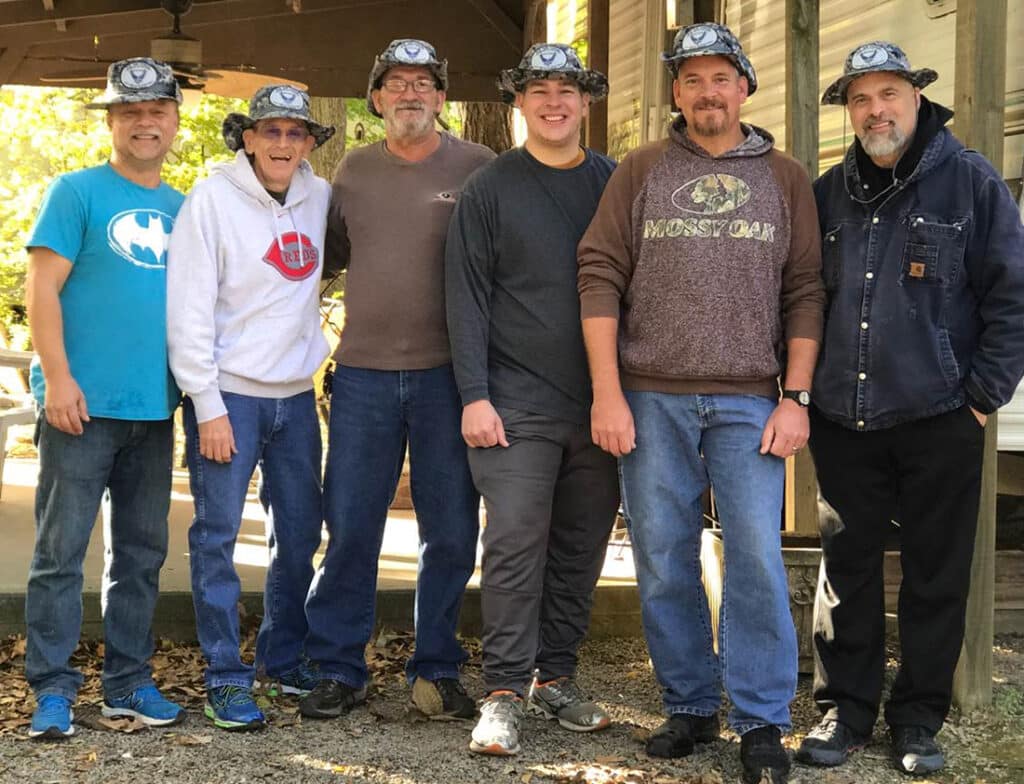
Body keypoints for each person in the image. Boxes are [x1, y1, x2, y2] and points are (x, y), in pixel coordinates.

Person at [577, 23, 825, 784]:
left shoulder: (784, 178)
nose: (706, 92)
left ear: (745, 87)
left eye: (721, 78)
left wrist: (796, 396)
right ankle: (688, 703)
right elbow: (598, 271)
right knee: (661, 558)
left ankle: (758, 719)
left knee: (752, 555)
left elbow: (806, 290)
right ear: (676, 95)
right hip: (650, 399)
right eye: (691, 80)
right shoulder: (643, 170)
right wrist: (608, 393)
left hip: (753, 401)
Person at [795, 42, 1024, 776]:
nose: (876, 110)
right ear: (849, 111)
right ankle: (845, 709)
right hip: (844, 419)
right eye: (860, 99)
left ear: (917, 98)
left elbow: (1011, 296)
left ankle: (919, 720)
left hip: (940, 418)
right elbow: (801, 299)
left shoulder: (970, 184)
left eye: (888, 93)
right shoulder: (828, 193)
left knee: (936, 574)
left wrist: (981, 400)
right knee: (846, 569)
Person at [300, 39, 494, 721]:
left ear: (442, 97)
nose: (410, 93)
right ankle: (338, 667)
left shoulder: (479, 167)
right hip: (362, 378)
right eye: (396, 83)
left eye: (424, 83)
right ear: (376, 98)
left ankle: (436, 669)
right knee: (351, 524)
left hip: (451, 380)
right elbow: (317, 261)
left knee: (450, 529)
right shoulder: (350, 172)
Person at [446, 43, 619, 757]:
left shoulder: (614, 182)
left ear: (586, 103)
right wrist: (475, 396)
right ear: (518, 102)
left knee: (581, 547)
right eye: (539, 90)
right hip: (514, 402)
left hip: (603, 402)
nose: (554, 101)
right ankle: (504, 692)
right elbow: (466, 297)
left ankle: (556, 678)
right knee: (516, 541)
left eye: (568, 90)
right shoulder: (490, 188)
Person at [23, 57, 187, 739]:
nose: (145, 123)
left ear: (175, 121)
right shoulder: (77, 192)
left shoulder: (186, 208)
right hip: (81, 409)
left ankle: (126, 683)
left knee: (141, 555)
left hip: (155, 409)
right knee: (60, 554)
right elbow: (40, 291)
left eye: (157, 112)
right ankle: (53, 691)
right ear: (113, 121)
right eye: (130, 112)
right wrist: (58, 378)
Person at [166, 85, 334, 731]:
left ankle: (283, 656)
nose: (283, 144)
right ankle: (225, 678)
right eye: (271, 132)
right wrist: (206, 403)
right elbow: (187, 309)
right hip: (229, 396)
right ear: (248, 138)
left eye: (296, 133)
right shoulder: (209, 201)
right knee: (217, 540)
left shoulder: (319, 198)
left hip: (294, 394)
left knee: (298, 536)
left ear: (309, 143)